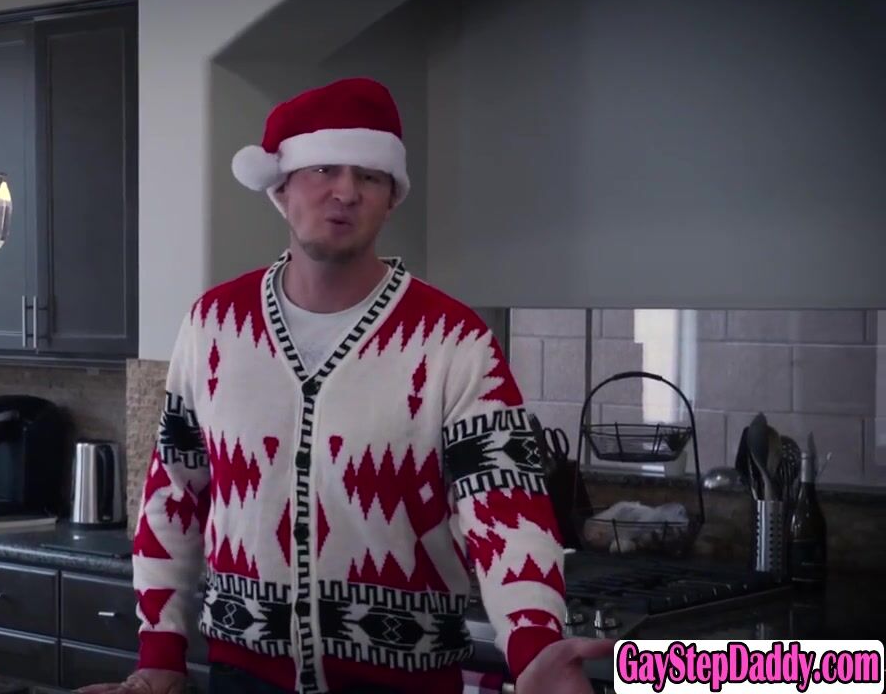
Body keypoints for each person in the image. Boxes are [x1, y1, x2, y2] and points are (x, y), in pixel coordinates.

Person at [80, 77, 613, 694]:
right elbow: (174, 492)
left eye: (370, 176)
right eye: (323, 169)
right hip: (242, 678)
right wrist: (159, 654)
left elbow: (507, 506)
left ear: (391, 198)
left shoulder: (454, 341)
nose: (346, 191)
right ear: (281, 187)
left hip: (404, 686)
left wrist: (535, 644)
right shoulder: (214, 327)